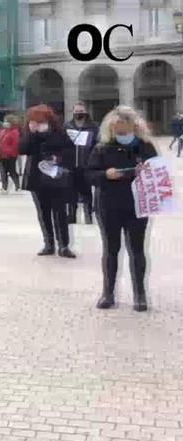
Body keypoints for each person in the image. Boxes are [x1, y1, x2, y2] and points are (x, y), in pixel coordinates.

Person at [86, 106, 156, 312]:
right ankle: (108, 293)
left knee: (137, 250)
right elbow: (89, 175)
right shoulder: (102, 148)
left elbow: (158, 173)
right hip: (108, 205)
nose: (122, 135)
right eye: (118, 132)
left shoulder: (145, 147)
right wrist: (105, 175)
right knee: (111, 249)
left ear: (135, 127)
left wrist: (148, 171)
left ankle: (140, 295)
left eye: (125, 131)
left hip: (137, 205)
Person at [20, 104, 77, 259]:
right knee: (43, 212)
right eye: (33, 120)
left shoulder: (59, 132)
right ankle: (49, 243)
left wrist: (57, 158)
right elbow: (22, 149)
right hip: (36, 177)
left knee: (60, 212)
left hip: (55, 176)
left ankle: (64, 245)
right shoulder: (30, 133)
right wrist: (32, 134)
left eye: (40, 120)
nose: (37, 123)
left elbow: (70, 152)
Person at [65, 102, 99, 225]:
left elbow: (98, 144)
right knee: (70, 192)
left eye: (81, 111)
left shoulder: (93, 127)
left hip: (87, 165)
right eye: (77, 111)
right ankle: (71, 216)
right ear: (73, 112)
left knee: (87, 193)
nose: (79, 113)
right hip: (71, 165)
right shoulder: (67, 126)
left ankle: (88, 216)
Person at [0, 117, 21, 193]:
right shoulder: (2, 131)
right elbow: (0, 142)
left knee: (12, 171)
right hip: (1, 155)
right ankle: (4, 187)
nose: (5, 123)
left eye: (7, 122)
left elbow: (15, 144)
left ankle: (17, 186)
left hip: (11, 155)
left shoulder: (14, 132)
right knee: (3, 172)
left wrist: (8, 152)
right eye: (5, 122)